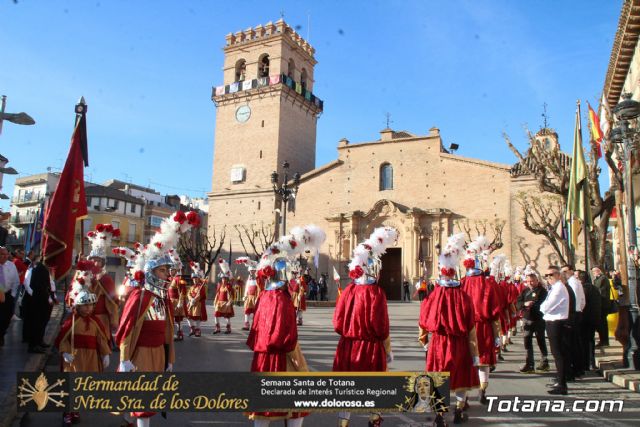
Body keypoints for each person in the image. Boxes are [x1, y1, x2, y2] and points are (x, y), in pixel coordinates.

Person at [116, 210, 198, 427]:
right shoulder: (140, 296)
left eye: (167, 271)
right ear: (152, 272)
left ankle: (129, 419)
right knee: (143, 402)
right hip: (141, 354)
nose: (167, 275)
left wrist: (168, 358)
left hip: (158, 355)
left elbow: (168, 332)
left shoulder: (163, 299)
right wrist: (124, 358)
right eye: (163, 271)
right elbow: (127, 329)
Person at [247, 224, 325, 427]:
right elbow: (287, 338)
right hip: (282, 359)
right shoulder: (282, 300)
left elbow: (256, 332)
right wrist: (301, 366)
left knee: (263, 408)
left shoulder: (264, 296)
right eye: (289, 270)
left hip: (262, 359)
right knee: (296, 405)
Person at [334, 227, 396, 427]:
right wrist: (388, 349)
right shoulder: (377, 293)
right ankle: (374, 418)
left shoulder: (348, 291)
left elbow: (337, 322)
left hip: (347, 346)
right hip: (370, 348)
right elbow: (381, 326)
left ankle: (344, 422)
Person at [419, 233, 479, 425]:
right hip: (460, 343)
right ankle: (459, 411)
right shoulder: (465, 298)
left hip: (438, 343)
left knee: (438, 378)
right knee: (461, 378)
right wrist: (475, 352)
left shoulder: (432, 297)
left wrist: (424, 342)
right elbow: (471, 327)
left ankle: (439, 415)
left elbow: (423, 322)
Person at [55, 281, 111, 426]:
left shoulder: (95, 322)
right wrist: (65, 352)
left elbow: (101, 339)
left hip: (91, 358)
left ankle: (76, 410)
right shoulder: (71, 321)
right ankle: (67, 412)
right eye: (85, 305)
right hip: (75, 358)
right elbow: (63, 338)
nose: (88, 308)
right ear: (78, 306)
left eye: (91, 305)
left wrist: (105, 354)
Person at [460, 236, 501, 406]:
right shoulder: (488, 285)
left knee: (467, 361)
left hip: (466, 328)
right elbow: (495, 311)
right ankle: (482, 390)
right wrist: (497, 333)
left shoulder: (461, 284)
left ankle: (464, 398)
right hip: (484, 327)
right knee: (483, 360)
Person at [540, 266, 573, 395]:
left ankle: (562, 383)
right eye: (546, 276)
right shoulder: (555, 288)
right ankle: (561, 380)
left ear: (558, 275)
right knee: (558, 352)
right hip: (553, 321)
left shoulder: (559, 288)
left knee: (558, 353)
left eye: (551, 275)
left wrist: (543, 308)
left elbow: (546, 306)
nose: (549, 278)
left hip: (556, 322)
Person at [86, 224, 120, 345]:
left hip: (101, 318)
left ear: (102, 263)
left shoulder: (106, 278)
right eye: (93, 260)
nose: (95, 262)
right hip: (84, 317)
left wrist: (113, 320)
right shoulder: (83, 275)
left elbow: (114, 301)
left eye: (98, 260)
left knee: (100, 346)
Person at [516, 271, 549, 373]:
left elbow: (544, 304)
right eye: (528, 281)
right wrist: (525, 304)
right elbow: (518, 303)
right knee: (527, 342)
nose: (530, 283)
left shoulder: (542, 291)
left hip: (538, 319)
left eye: (532, 281)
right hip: (527, 319)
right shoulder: (525, 291)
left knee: (540, 340)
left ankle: (544, 361)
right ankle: (529, 363)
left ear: (536, 281)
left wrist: (533, 305)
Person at [23, 258, 55, 353]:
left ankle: (39, 341)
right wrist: (48, 298)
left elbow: (49, 285)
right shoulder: (40, 270)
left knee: (42, 323)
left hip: (43, 300)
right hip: (39, 301)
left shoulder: (44, 269)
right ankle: (34, 345)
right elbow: (39, 287)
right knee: (36, 323)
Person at [562, 264, 586, 378]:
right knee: (575, 342)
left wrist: (573, 313)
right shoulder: (576, 282)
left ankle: (576, 368)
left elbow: (574, 300)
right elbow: (582, 301)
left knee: (572, 343)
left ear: (571, 271)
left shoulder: (572, 283)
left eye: (566, 271)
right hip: (576, 313)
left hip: (573, 314)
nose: (564, 273)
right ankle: (578, 367)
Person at [579, 270, 602, 371]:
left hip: (585, 319)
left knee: (585, 341)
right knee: (590, 341)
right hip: (594, 318)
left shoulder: (584, 289)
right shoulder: (594, 288)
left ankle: (587, 363)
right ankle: (591, 363)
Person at [0, 246, 20, 347]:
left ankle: (2, 333)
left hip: (7, 295)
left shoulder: (11, 266)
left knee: (7, 317)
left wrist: (12, 295)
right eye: (2, 254)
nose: (4, 256)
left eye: (6, 254)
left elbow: (16, 282)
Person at [234, 257, 259, 330]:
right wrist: (245, 295)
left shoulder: (258, 279)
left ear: (255, 271)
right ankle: (246, 324)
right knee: (247, 310)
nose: (252, 272)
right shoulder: (249, 278)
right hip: (249, 297)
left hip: (255, 297)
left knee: (256, 311)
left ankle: (255, 325)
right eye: (251, 271)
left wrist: (258, 297)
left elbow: (259, 288)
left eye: (253, 271)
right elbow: (247, 287)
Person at [168, 255, 188, 340]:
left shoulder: (178, 279)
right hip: (169, 301)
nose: (170, 271)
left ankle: (180, 333)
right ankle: (170, 334)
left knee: (178, 319)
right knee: (170, 318)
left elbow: (183, 291)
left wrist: (180, 302)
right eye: (170, 270)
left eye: (172, 270)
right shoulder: (168, 278)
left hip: (176, 301)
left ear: (176, 270)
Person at [213, 259, 235, 334]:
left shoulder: (229, 286)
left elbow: (231, 294)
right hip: (219, 302)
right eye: (223, 279)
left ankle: (228, 328)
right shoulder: (219, 285)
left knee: (227, 316)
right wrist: (215, 302)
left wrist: (229, 302)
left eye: (225, 279)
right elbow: (217, 294)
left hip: (226, 303)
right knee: (216, 314)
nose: (224, 280)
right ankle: (217, 327)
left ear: (227, 279)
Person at [187, 262, 207, 337]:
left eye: (196, 279)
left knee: (198, 317)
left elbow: (200, 294)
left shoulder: (201, 287)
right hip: (191, 302)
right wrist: (191, 299)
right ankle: (192, 328)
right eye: (193, 279)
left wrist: (194, 300)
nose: (194, 280)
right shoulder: (192, 287)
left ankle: (198, 330)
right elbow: (188, 293)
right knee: (188, 316)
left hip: (198, 304)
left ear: (198, 279)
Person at [592, 267, 611, 347]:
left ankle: (604, 340)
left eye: (594, 271)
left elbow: (599, 290)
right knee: (602, 323)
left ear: (598, 271)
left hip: (603, 304)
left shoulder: (602, 279)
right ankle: (603, 340)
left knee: (602, 323)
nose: (593, 273)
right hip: (602, 304)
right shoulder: (599, 279)